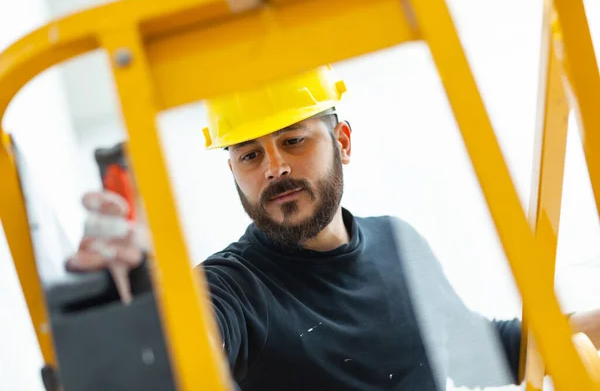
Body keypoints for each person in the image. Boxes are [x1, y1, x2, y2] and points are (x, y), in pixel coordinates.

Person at [67, 65, 600, 390]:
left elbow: (477, 349)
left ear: (342, 142)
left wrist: (586, 325)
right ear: (232, 171)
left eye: (293, 140)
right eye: (250, 155)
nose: (274, 168)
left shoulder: (398, 240)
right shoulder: (229, 286)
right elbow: (189, 348)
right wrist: (138, 299)